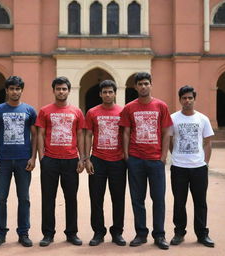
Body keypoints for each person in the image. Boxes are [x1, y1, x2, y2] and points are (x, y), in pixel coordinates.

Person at [119, 72, 172, 250]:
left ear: (151, 85)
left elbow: (166, 132)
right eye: (140, 84)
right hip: (136, 160)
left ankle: (159, 235)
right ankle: (141, 234)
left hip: (155, 160)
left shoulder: (161, 106)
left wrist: (163, 157)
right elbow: (125, 132)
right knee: (137, 199)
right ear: (135, 87)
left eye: (146, 83)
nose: (143, 86)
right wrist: (127, 156)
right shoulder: (129, 108)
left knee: (158, 199)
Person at [0, 76, 37, 248]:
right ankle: (0, 234)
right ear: (7, 90)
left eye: (17, 89)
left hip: (24, 160)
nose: (15, 92)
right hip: (3, 161)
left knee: (24, 198)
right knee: (1, 198)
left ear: (21, 90)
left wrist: (33, 157)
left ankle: (23, 233)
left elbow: (35, 135)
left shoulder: (29, 110)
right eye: (12, 89)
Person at [36, 76, 85, 247]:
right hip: (50, 160)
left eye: (64, 89)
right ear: (54, 90)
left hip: (71, 160)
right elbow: (40, 134)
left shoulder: (76, 112)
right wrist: (41, 157)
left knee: (71, 198)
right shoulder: (45, 111)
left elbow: (80, 135)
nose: (61, 91)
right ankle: (48, 234)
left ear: (69, 91)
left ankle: (72, 233)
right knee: (48, 198)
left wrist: (82, 158)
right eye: (58, 89)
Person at [169, 85, 215, 247]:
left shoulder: (202, 119)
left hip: (199, 168)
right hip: (178, 167)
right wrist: (175, 155)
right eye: (184, 98)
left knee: (200, 202)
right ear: (180, 100)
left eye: (190, 98)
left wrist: (205, 163)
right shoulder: (173, 118)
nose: (187, 100)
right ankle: (179, 233)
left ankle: (202, 234)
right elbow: (169, 140)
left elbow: (208, 142)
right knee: (179, 202)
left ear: (194, 99)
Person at [85, 80, 126, 246]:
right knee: (96, 198)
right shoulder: (92, 112)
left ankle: (117, 232)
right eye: (105, 92)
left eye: (110, 92)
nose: (108, 95)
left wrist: (126, 156)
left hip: (118, 161)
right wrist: (86, 158)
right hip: (98, 160)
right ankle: (98, 232)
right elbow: (88, 135)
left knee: (118, 198)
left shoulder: (123, 111)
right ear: (100, 94)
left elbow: (126, 134)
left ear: (115, 93)